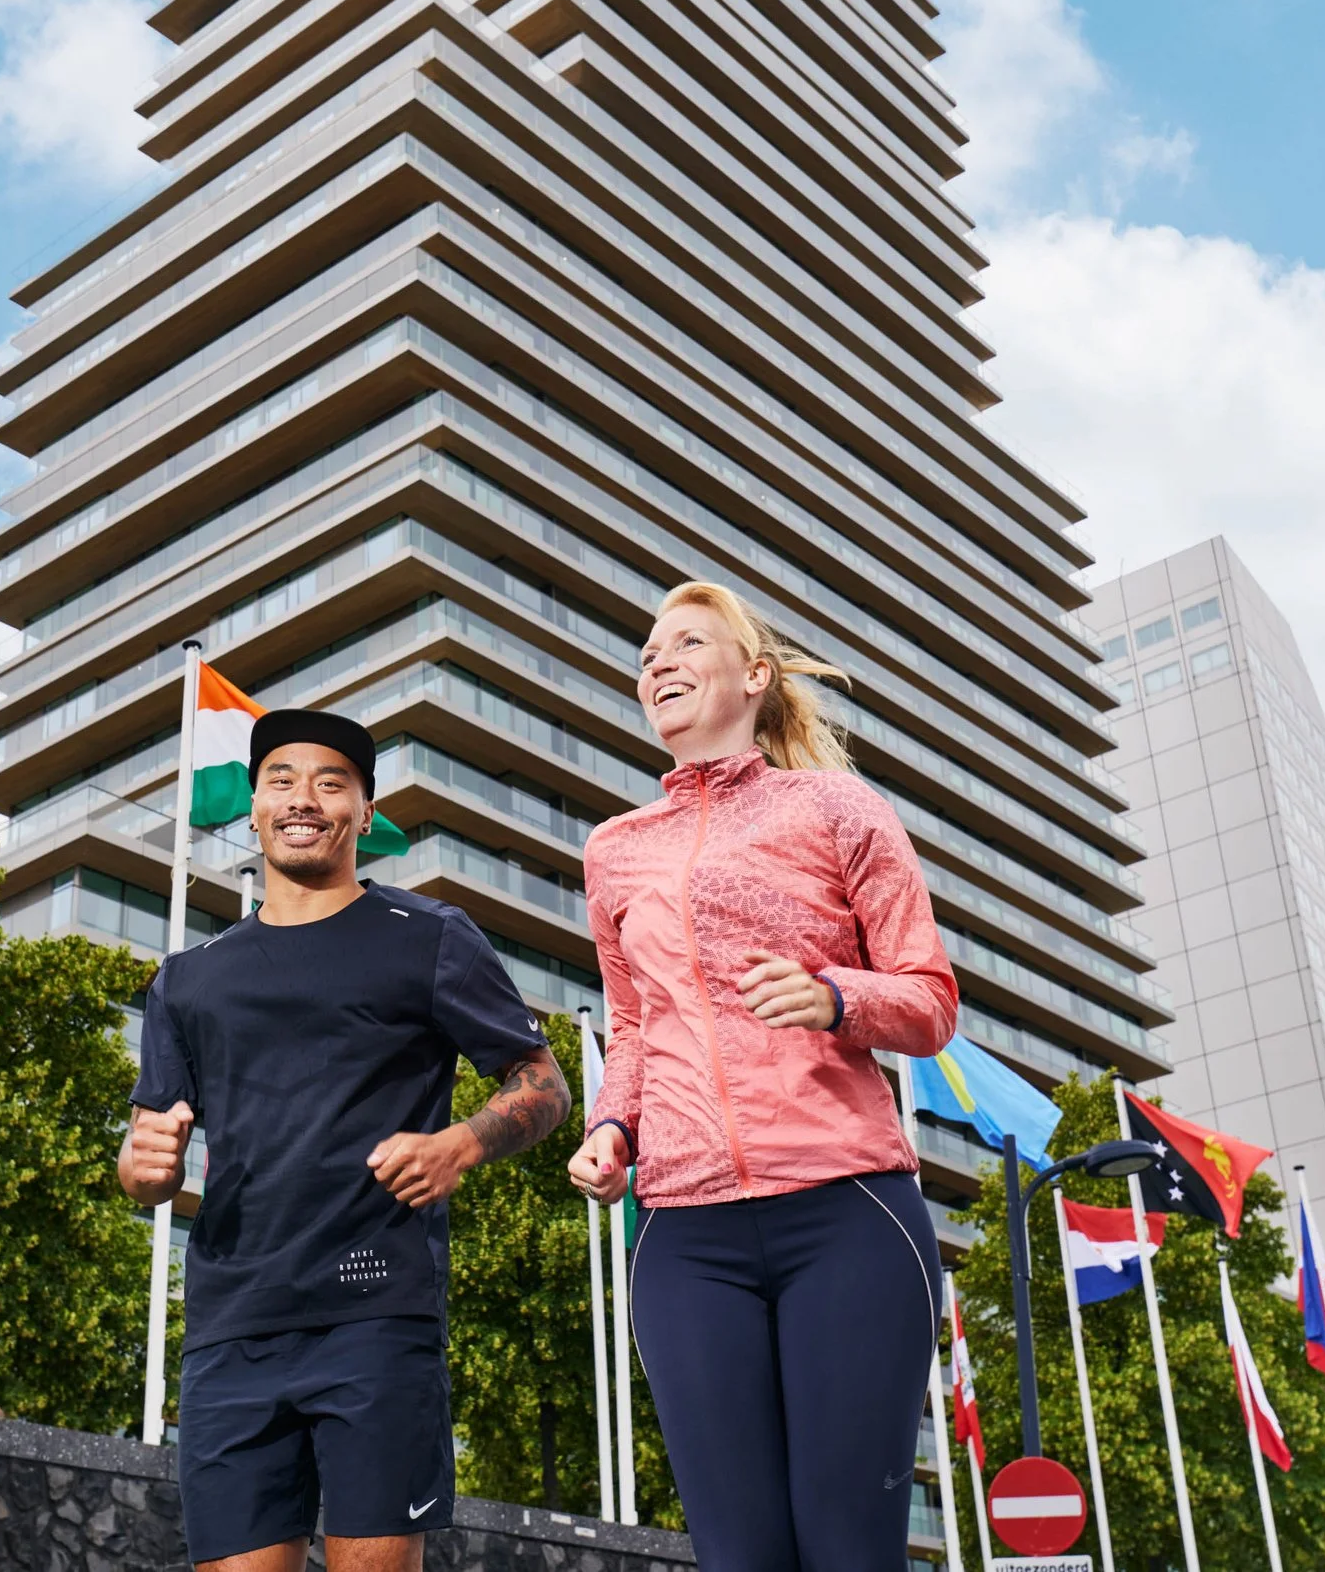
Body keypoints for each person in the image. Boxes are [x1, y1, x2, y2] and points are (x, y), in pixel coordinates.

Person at [119, 707, 571, 1572]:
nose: (304, 799)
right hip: (231, 1326)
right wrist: (142, 1170)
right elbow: (147, 1156)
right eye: (282, 780)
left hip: (374, 1315)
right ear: (252, 805)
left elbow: (542, 1084)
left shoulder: (430, 938)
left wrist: (459, 1146)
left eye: (332, 783)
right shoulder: (187, 980)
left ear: (365, 812)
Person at [567, 581, 958, 1572]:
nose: (657, 661)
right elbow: (635, 1024)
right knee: (740, 1555)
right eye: (648, 650)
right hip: (682, 1234)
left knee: (846, 1547)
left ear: (754, 676)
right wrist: (614, 1127)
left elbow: (928, 998)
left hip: (847, 1213)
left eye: (687, 642)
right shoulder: (613, 852)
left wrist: (835, 995)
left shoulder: (834, 807)